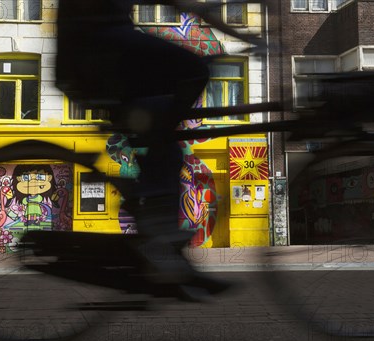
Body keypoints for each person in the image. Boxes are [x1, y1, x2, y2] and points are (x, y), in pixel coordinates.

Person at [56, 0, 266, 300]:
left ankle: (164, 249)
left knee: (168, 147)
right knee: (193, 69)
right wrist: (243, 35)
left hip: (95, 55)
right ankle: (157, 230)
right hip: (97, 51)